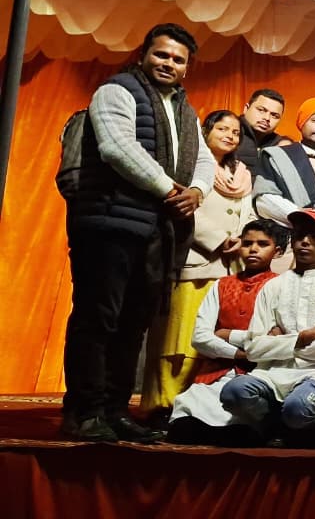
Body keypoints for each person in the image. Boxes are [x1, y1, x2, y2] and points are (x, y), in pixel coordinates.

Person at [62, 22, 215, 443]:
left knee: (133, 326)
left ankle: (114, 412)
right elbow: (117, 148)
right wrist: (171, 190)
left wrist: (198, 192)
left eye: (178, 59)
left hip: (157, 232)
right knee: (98, 320)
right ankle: (84, 413)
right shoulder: (116, 91)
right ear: (143, 54)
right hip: (108, 224)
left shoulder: (185, 110)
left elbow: (204, 159)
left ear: (187, 67)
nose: (168, 63)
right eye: (161, 54)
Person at [143, 109, 255, 415]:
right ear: (206, 131)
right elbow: (183, 209)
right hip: (193, 264)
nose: (230, 135)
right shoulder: (189, 166)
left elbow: (247, 213)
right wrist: (218, 239)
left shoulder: (242, 174)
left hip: (229, 269)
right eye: (223, 129)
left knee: (209, 344)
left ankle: (192, 408)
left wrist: (243, 239)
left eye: (235, 132)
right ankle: (162, 405)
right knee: (178, 340)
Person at [220, 209, 315, 443]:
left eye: (314, 236)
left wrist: (278, 344)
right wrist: (303, 338)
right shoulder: (274, 286)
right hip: (270, 373)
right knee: (232, 393)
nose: (304, 241)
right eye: (299, 235)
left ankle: (298, 427)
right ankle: (274, 425)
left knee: (298, 410)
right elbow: (253, 348)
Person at [167, 220, 283, 445]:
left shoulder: (281, 286)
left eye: (262, 244)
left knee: (243, 424)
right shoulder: (221, 285)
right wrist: (239, 354)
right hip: (215, 373)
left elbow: (276, 338)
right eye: (247, 243)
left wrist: (226, 334)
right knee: (184, 424)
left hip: (257, 374)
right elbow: (200, 338)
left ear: (277, 251)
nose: (253, 249)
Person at [253, 97, 315, 225]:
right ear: (302, 123)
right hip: (290, 231)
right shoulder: (277, 156)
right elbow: (264, 200)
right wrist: (301, 215)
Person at [237, 89, 287, 176]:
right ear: (246, 109)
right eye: (261, 110)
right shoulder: (228, 133)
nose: (267, 118)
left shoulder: (280, 145)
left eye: (274, 115)